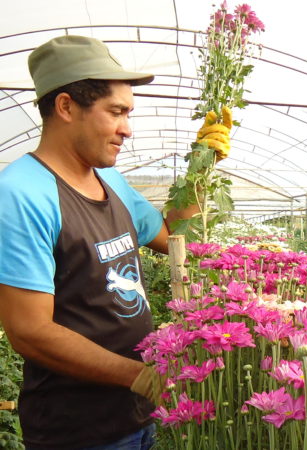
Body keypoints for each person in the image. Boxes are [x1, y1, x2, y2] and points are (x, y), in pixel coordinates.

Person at [0, 35, 230, 449]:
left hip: (138, 416)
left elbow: (172, 237)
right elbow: (29, 330)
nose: (127, 128)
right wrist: (141, 376)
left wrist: (202, 168)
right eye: (116, 112)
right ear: (67, 106)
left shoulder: (111, 180)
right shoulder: (20, 193)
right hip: (76, 431)